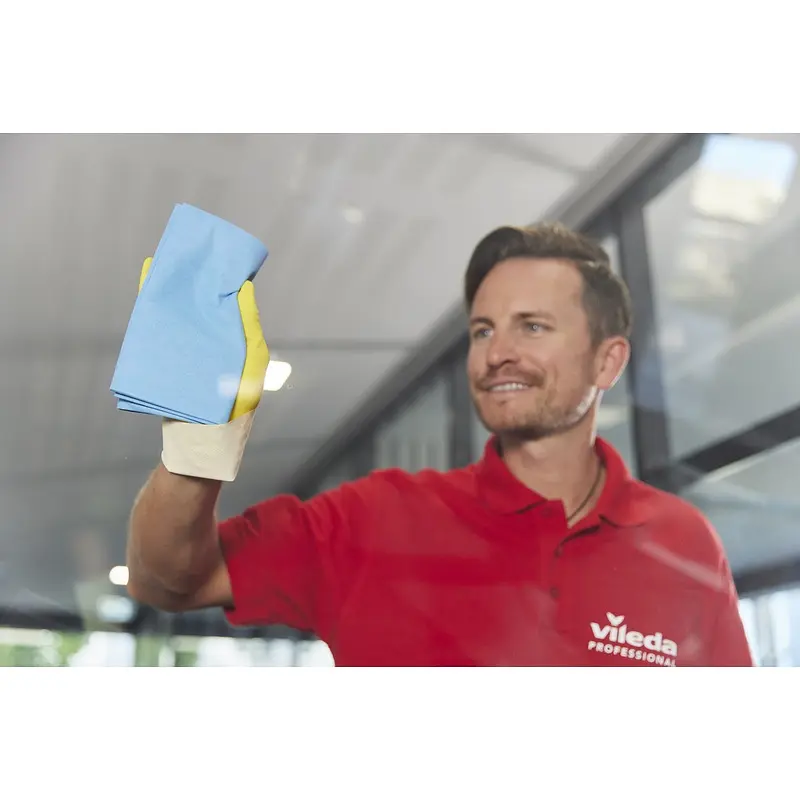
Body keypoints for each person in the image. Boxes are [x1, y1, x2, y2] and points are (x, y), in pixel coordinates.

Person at [126, 222, 754, 667]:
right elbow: (172, 581)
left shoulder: (684, 542)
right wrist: (198, 443)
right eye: (483, 330)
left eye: (532, 327)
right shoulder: (372, 519)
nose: (497, 353)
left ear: (607, 361)